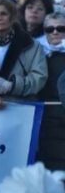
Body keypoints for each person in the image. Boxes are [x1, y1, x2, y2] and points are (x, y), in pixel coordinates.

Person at [38, 12, 65, 170]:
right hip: (42, 118)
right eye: (50, 29)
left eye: (60, 28)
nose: (55, 32)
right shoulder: (36, 52)